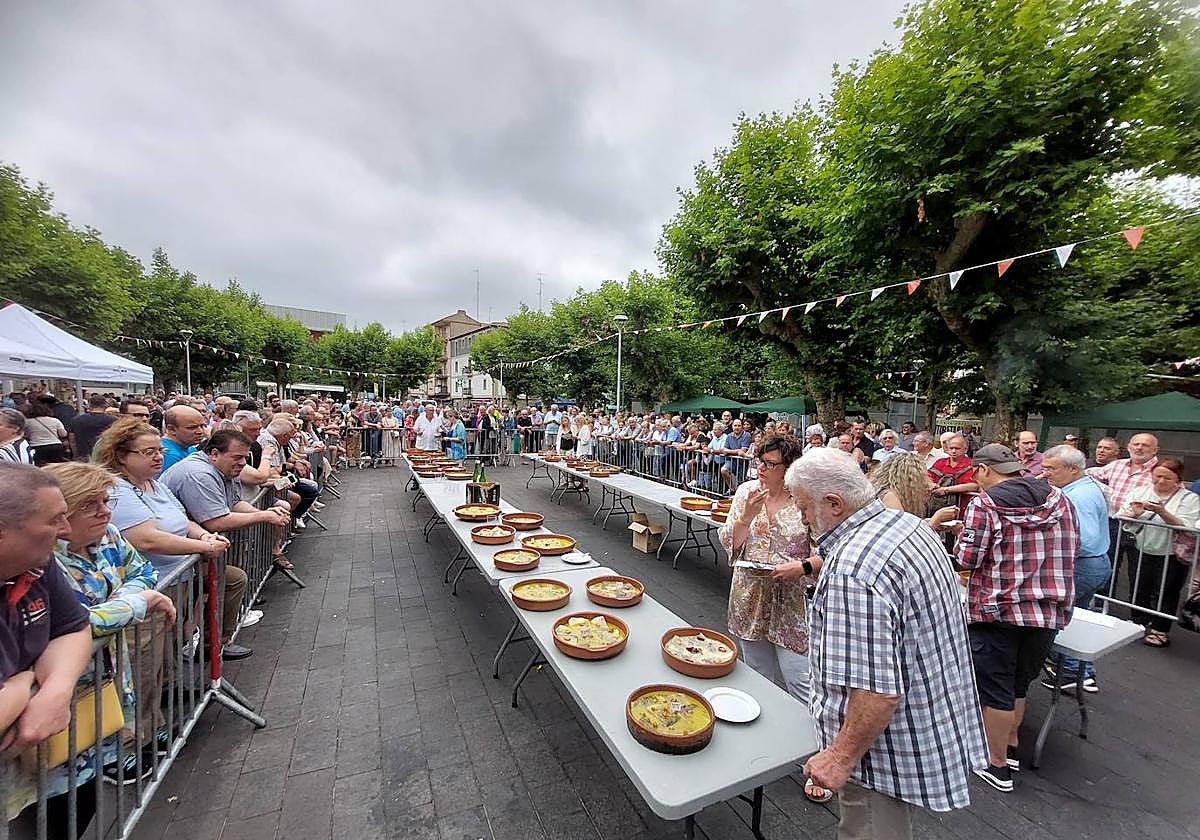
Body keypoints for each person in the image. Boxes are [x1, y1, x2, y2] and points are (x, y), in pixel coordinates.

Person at [786, 448, 986, 836]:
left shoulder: (854, 568)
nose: (803, 518)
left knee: (870, 829)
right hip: (925, 720)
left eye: (804, 507)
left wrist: (840, 757)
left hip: (880, 752)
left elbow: (877, 689)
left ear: (833, 503)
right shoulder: (908, 526)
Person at [951, 444, 1077, 792]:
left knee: (994, 690)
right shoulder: (1060, 499)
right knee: (1019, 684)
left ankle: (997, 765)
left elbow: (967, 558)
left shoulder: (986, 504)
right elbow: (1073, 549)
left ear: (982, 470)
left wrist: (962, 535)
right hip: (1048, 611)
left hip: (998, 610)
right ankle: (1010, 746)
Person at [42, 462, 178, 776]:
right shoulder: (44, 558)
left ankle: (122, 751)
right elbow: (73, 624)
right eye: (90, 505)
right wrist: (136, 604)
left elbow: (144, 571)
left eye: (106, 501)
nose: (104, 511)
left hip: (113, 665)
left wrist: (124, 600)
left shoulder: (109, 535)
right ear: (62, 513)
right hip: (69, 685)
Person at [718, 433, 828, 804]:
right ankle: (763, 746)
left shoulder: (805, 501)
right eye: (759, 462)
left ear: (789, 467)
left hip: (790, 600)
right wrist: (745, 518)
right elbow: (731, 545)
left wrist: (801, 567)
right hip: (749, 594)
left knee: (800, 679)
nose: (761, 469)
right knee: (756, 674)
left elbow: (826, 553)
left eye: (770, 464)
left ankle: (815, 759)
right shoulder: (747, 492)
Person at [0, 463, 95, 835]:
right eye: (55, 519)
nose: (66, 530)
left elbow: (73, 627)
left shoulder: (36, 565)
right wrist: (25, 686)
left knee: (72, 810)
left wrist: (53, 692)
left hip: (33, 774)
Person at [161, 429, 292, 657]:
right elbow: (216, 520)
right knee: (173, 616)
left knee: (231, 580)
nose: (243, 463)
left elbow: (233, 504)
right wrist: (263, 516)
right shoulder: (198, 474)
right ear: (214, 453)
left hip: (192, 551)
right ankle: (199, 648)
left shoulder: (221, 470)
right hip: (173, 559)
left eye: (245, 457)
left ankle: (213, 644)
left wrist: (264, 511)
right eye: (237, 457)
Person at [1040, 445, 1111, 692]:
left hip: (1082, 566)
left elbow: (1086, 538)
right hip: (1092, 565)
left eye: (1051, 468)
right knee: (1073, 618)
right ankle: (1081, 672)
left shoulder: (1078, 496)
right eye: (1044, 467)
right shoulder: (1081, 488)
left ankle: (1071, 670)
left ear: (1073, 469)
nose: (1045, 473)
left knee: (1058, 618)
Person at [1117, 457, 1200, 648]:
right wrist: (1134, 514)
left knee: (1167, 590)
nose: (1161, 481)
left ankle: (1160, 629)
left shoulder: (1189, 499)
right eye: (1157, 476)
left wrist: (1163, 512)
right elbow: (1122, 514)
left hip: (1172, 552)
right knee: (1138, 584)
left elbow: (1189, 527)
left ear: (1178, 479)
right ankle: (1138, 620)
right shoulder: (1140, 491)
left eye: (1167, 478)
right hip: (1142, 545)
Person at [927, 434, 978, 517]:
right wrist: (932, 485)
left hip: (962, 510)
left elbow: (975, 485)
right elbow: (927, 477)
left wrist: (946, 489)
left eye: (957, 448)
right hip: (937, 508)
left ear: (965, 450)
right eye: (951, 448)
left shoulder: (972, 464)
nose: (953, 451)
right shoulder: (940, 462)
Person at [22, 397, 69, 465]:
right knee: (56, 466)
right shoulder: (55, 420)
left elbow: (26, 435)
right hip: (55, 446)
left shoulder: (28, 422)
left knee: (40, 467)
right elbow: (63, 434)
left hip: (37, 446)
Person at [68, 395, 115, 462]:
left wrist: (75, 455)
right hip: (105, 457)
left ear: (90, 405)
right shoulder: (113, 420)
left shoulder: (76, 420)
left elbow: (72, 440)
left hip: (83, 456)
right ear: (105, 405)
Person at [160, 405, 207, 472]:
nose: (200, 431)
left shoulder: (191, 448)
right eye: (192, 428)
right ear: (172, 429)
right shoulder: (168, 455)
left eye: (202, 426)